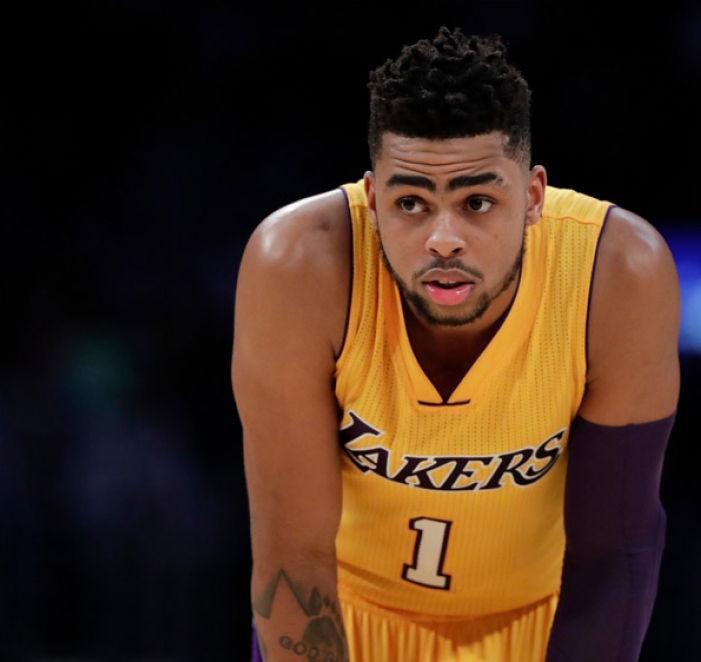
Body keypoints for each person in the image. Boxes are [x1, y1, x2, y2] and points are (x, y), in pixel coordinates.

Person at [231, 26, 680, 662]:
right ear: (372, 201)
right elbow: (294, 558)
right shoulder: (298, 264)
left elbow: (614, 553)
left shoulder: (618, 271)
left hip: (540, 628)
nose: (444, 239)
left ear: (532, 197)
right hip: (342, 620)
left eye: (477, 201)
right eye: (412, 203)